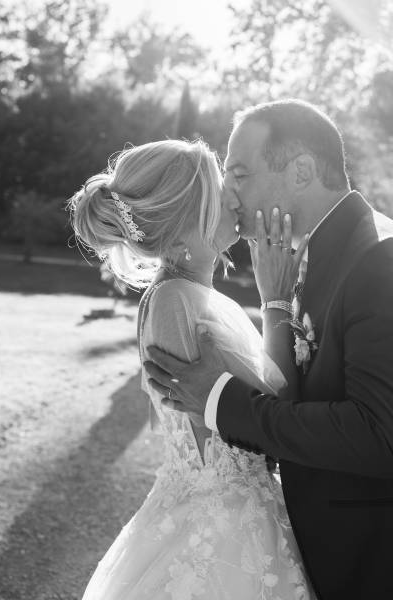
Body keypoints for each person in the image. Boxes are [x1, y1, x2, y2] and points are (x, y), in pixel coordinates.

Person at [145, 99, 393, 600]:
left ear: (300, 171)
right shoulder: (306, 255)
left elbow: (378, 435)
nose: (228, 192)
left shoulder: (377, 258)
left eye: (239, 172)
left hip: (369, 561)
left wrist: (222, 400)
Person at [69, 138, 315, 599]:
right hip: (223, 531)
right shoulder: (174, 302)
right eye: (220, 190)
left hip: (239, 508)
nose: (235, 197)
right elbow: (274, 413)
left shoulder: (197, 296)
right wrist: (276, 297)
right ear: (184, 228)